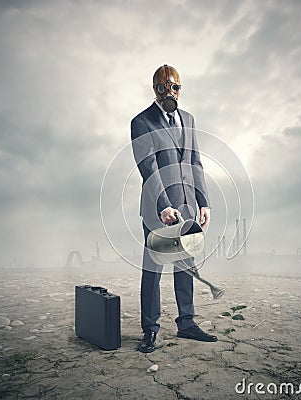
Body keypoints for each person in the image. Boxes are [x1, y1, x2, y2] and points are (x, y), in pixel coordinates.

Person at [131, 64, 217, 353]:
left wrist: (203, 201)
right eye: (162, 87)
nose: (169, 91)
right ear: (154, 89)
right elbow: (148, 167)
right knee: (153, 268)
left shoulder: (189, 119)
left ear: (181, 88)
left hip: (188, 205)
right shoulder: (141, 122)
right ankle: (150, 330)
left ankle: (187, 324)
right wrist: (163, 206)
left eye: (175, 87)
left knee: (185, 264)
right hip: (158, 207)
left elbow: (195, 162)